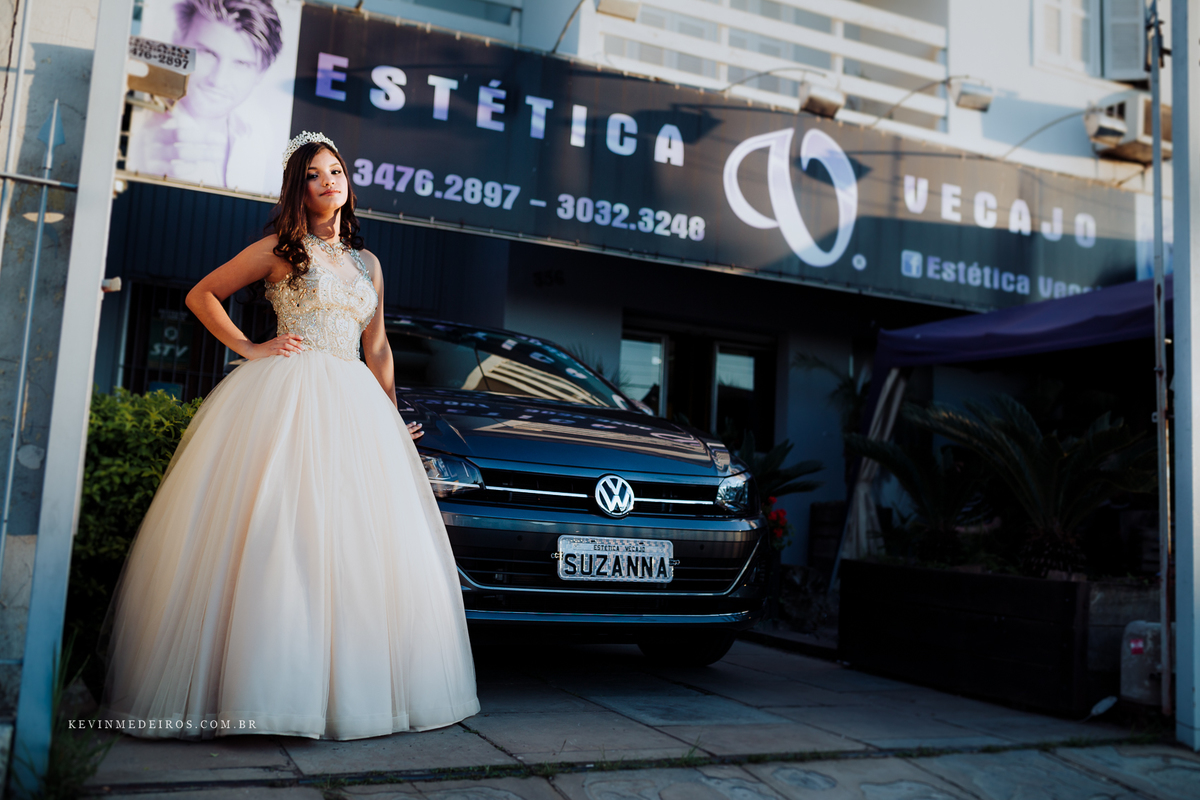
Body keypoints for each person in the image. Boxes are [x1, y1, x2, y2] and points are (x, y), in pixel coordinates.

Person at [99, 131, 481, 740]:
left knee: (355, 544)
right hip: (290, 394)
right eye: (314, 175)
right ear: (298, 190)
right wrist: (251, 347)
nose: (329, 180)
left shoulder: (369, 264)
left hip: (355, 403)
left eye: (336, 171)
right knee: (284, 529)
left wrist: (389, 411)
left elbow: (377, 345)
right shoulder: (282, 249)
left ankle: (348, 692)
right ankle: (271, 689)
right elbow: (202, 295)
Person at [127, 0, 284, 190]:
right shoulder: (134, 122)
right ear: (177, 42)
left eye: (241, 64)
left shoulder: (258, 140)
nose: (218, 80)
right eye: (207, 53)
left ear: (261, 73)